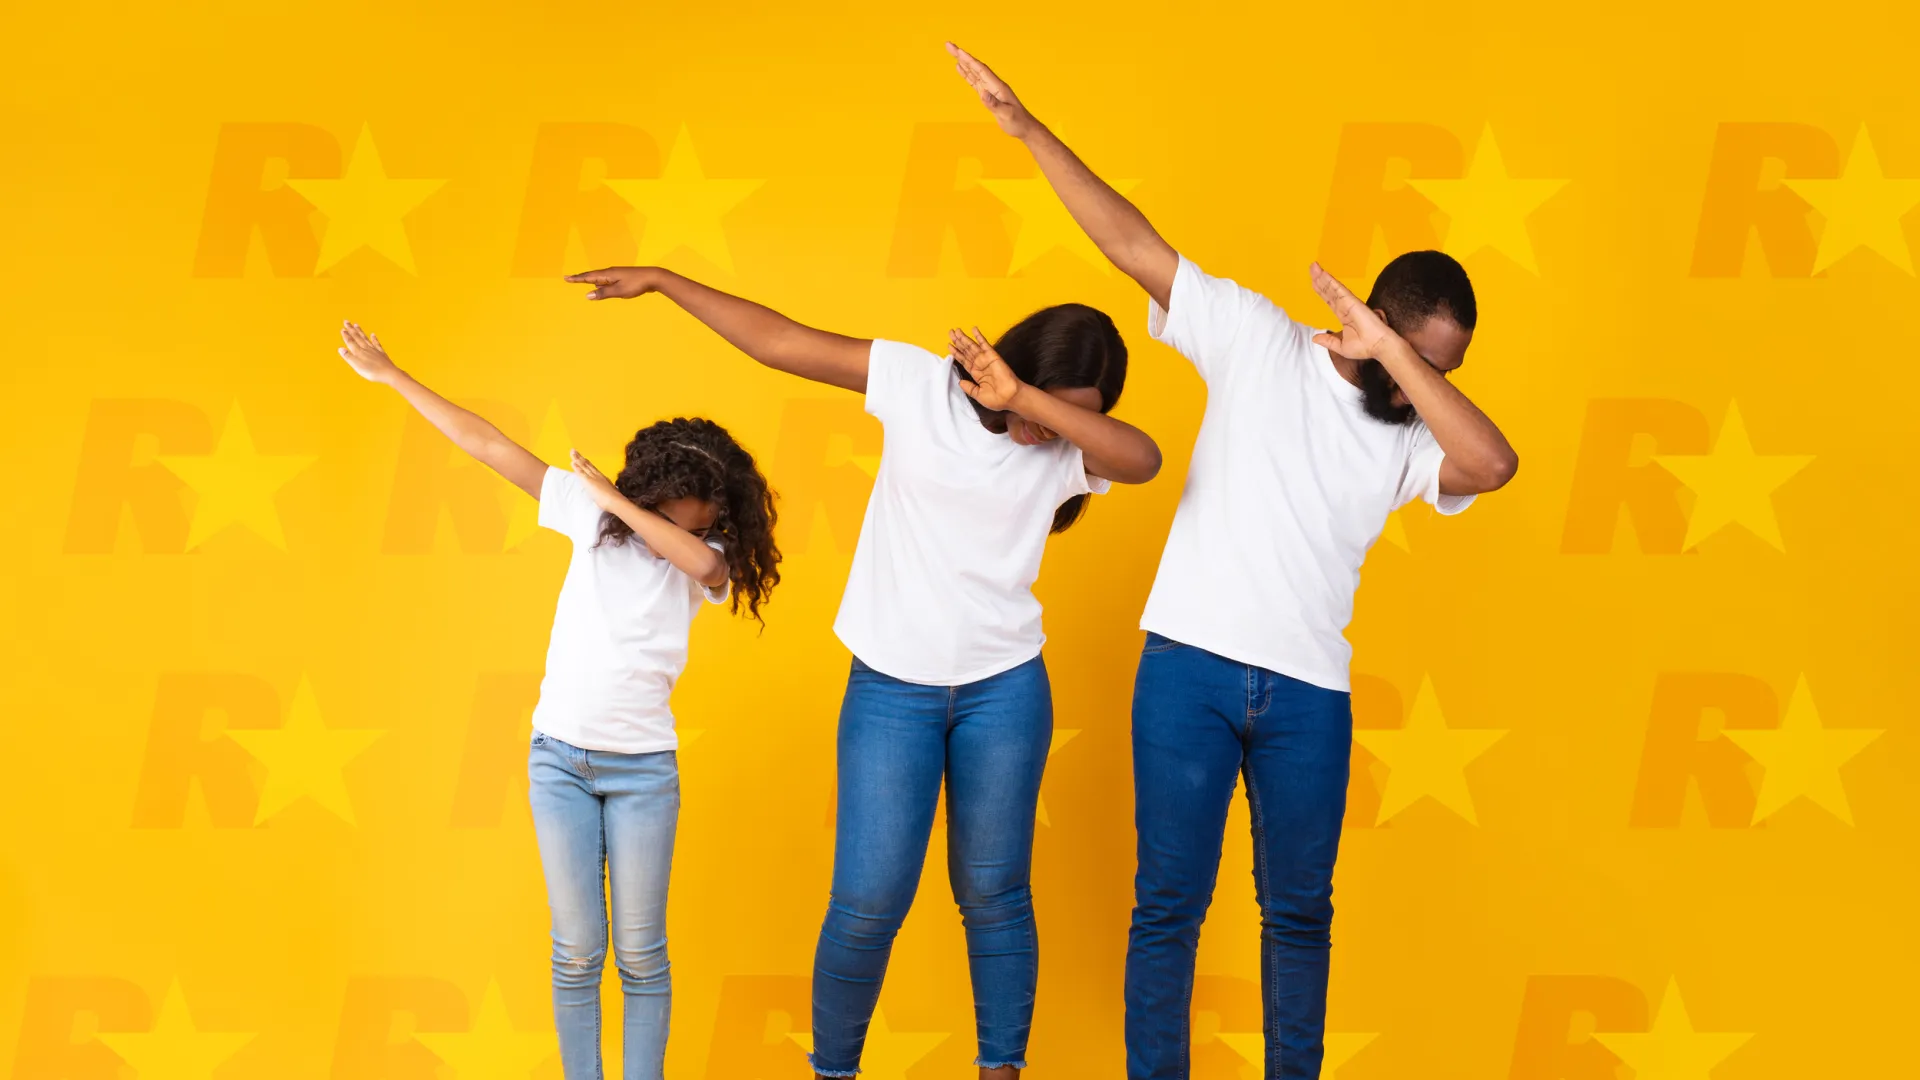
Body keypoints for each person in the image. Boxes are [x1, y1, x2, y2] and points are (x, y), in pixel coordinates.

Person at [946, 43, 1521, 1080]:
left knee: (1299, 914)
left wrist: (1396, 365)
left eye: (1441, 369)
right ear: (1374, 320)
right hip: (1191, 669)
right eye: (1421, 354)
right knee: (1168, 907)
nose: (1427, 379)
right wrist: (1028, 131)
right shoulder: (1258, 340)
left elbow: (1496, 461)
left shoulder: (1412, 433)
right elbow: (1135, 245)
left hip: (1309, 692)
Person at [561, 265, 1162, 1079]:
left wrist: (1028, 400)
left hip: (1006, 688)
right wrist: (667, 282)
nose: (1050, 433)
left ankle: (1001, 1071)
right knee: (868, 902)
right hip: (892, 687)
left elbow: (1144, 459)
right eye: (1051, 407)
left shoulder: (1063, 446)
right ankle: (833, 1071)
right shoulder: (923, 389)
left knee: (994, 897)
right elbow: (781, 342)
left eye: (1072, 418)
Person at [335, 320, 781, 1080]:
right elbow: (489, 444)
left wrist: (615, 499)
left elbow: (699, 565)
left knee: (642, 955)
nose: (705, 523)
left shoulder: (706, 557)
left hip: (644, 771)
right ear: (668, 494)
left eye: (711, 514)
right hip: (561, 763)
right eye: (694, 506)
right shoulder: (591, 515)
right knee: (577, 952)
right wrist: (394, 376)